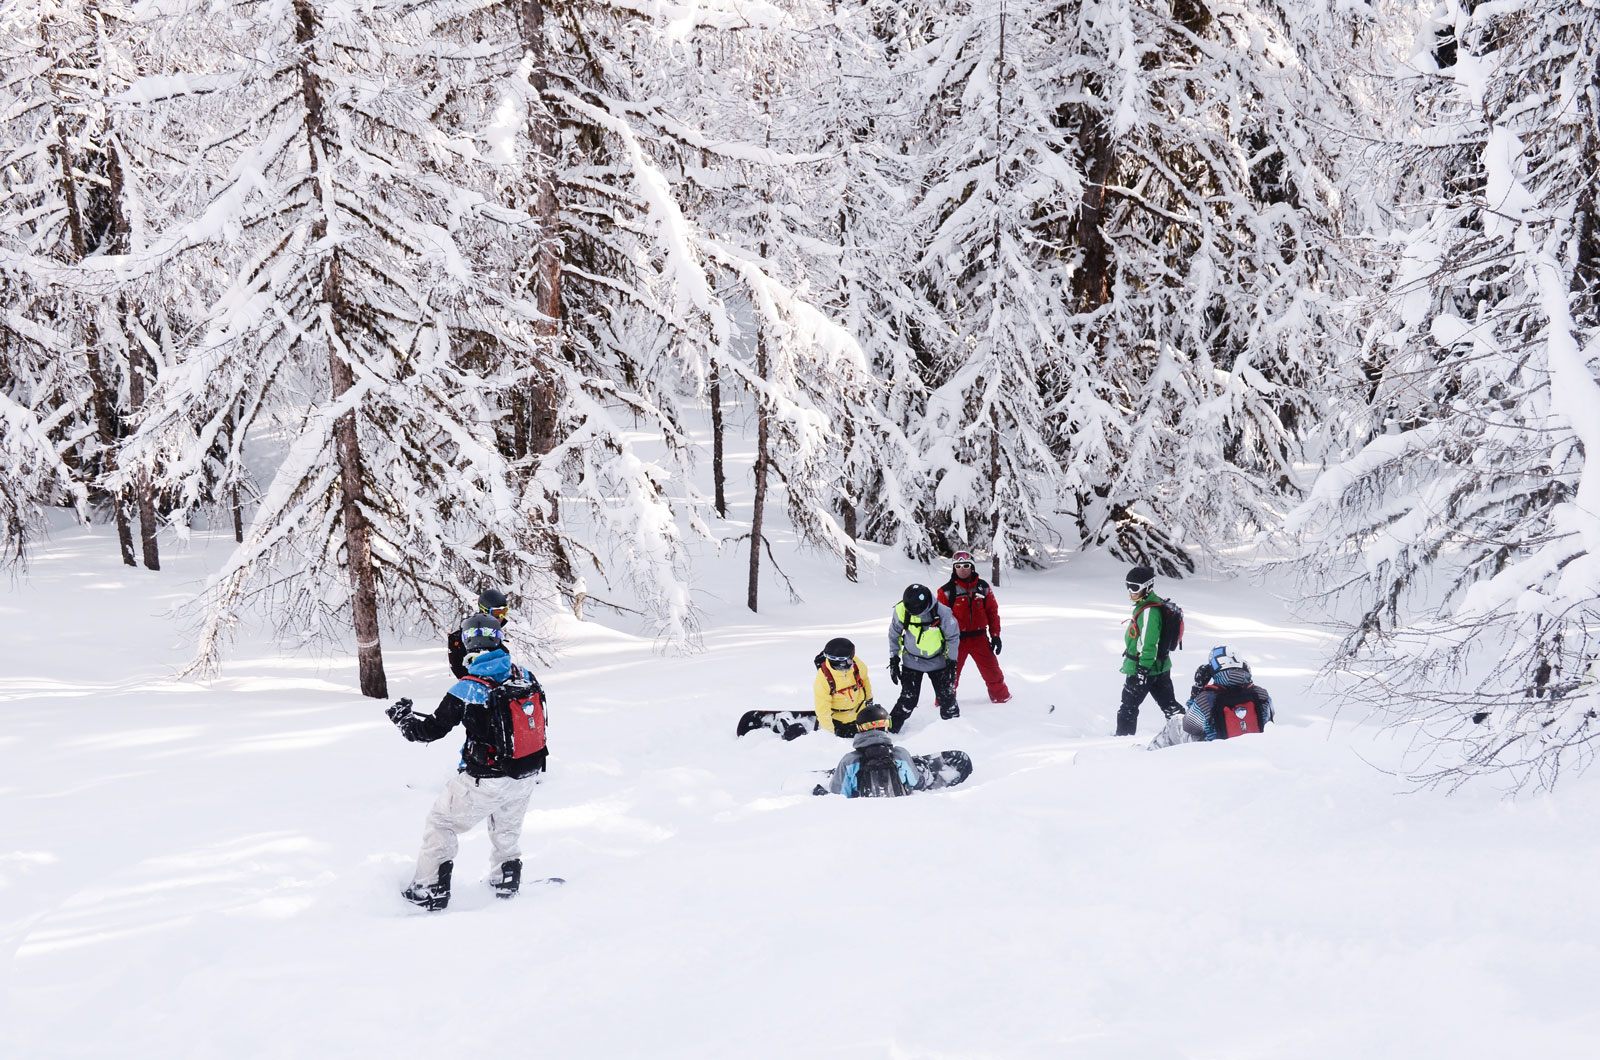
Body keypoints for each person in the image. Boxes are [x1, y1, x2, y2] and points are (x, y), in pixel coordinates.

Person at [387, 612, 547, 910]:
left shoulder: (469, 688)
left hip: (486, 778)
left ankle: (429, 888)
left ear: (467, 644)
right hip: (525, 772)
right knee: (506, 831)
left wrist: (403, 720)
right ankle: (506, 881)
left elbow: (429, 731)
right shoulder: (523, 675)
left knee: (441, 823)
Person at [1150, 647, 1274, 748]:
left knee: (1175, 721)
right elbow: (1269, 724)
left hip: (1216, 753)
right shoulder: (1262, 694)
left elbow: (1189, 726)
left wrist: (1197, 690)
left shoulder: (1207, 699)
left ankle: (1151, 755)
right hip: (1255, 749)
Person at [937, 549, 1011, 704]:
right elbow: (939, 620)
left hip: (980, 638)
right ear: (954, 568)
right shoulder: (946, 591)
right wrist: (941, 642)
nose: (962, 569)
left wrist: (995, 636)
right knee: (949, 676)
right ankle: (944, 705)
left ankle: (1002, 700)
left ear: (972, 567)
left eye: (965, 565)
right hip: (955, 641)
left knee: (993, 673)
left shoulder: (983, 588)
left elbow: (992, 613)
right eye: (958, 566)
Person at [1117, 565, 1181, 736]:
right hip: (1160, 667)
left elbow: (1148, 644)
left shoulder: (1149, 611)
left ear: (1148, 586)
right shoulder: (1151, 604)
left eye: (1135, 587)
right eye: (1128, 586)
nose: (1131, 591)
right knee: (1170, 706)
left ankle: (1120, 743)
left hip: (1144, 668)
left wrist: (1142, 670)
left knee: (1128, 707)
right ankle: (1189, 731)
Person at [887, 582, 961, 731]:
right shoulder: (901, 610)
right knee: (908, 699)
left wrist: (952, 662)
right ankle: (890, 730)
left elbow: (953, 637)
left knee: (947, 700)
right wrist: (894, 659)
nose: (915, 614)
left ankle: (955, 730)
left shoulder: (942, 612)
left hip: (938, 662)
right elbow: (894, 634)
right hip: (911, 661)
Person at [823, 703, 924, 797]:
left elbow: (838, 794)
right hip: (897, 810)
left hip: (865, 813)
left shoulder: (849, 761)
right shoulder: (900, 754)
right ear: (885, 727)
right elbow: (914, 781)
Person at [813, 637, 876, 737]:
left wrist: (869, 699)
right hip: (838, 720)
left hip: (859, 714)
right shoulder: (824, 679)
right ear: (842, 662)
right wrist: (830, 734)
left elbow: (864, 680)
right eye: (850, 658)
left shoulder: (857, 665)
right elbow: (823, 710)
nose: (853, 659)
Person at [446, 588, 510, 679]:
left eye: (504, 612)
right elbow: (459, 669)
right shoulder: (470, 634)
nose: (501, 617)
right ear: (484, 611)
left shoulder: (495, 632)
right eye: (496, 612)